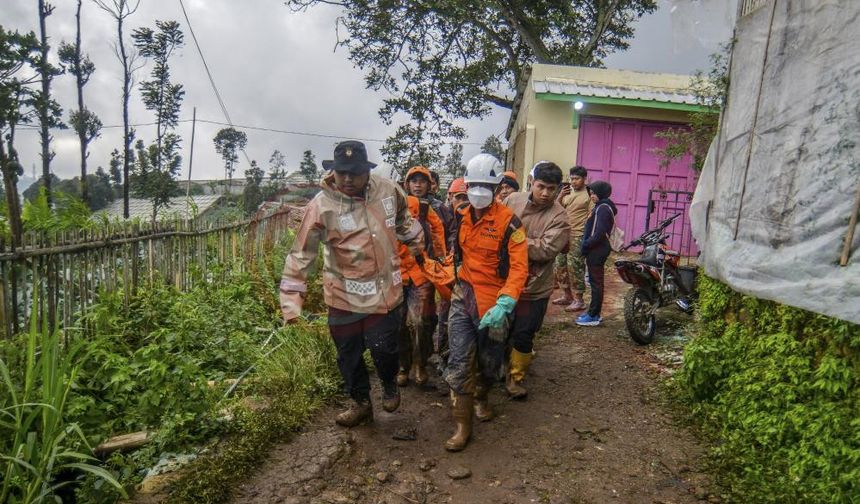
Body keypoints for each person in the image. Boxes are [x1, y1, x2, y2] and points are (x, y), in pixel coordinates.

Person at [280, 140, 425, 427]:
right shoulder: (321, 206)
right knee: (348, 355)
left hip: (384, 293)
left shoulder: (388, 190)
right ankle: (360, 403)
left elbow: (402, 217)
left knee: (384, 347)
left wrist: (415, 239)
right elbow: (301, 254)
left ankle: (389, 384)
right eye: (341, 172)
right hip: (343, 296)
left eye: (354, 173)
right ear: (333, 171)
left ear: (367, 172)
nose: (347, 179)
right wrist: (290, 302)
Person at [444, 154, 528, 451]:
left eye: (485, 187)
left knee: (490, 361)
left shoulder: (510, 223)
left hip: (495, 301)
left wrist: (506, 302)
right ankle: (461, 426)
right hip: (463, 295)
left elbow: (519, 267)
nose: (478, 193)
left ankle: (482, 395)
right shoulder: (461, 215)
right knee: (459, 359)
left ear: (497, 188)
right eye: (474, 186)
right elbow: (458, 254)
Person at [502, 161, 569, 398]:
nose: (545, 193)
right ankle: (498, 369)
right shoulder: (512, 201)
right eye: (541, 186)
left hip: (534, 286)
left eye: (552, 189)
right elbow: (497, 225)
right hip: (505, 281)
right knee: (499, 329)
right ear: (532, 182)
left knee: (524, 333)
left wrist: (513, 242)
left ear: (559, 189)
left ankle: (515, 379)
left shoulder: (559, 217)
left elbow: (546, 250)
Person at [398, 166, 448, 386]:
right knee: (399, 323)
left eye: (422, 181)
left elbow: (439, 235)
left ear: (430, 185)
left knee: (420, 322)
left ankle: (419, 362)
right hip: (397, 273)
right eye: (413, 181)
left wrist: (440, 262)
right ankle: (403, 365)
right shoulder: (394, 206)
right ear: (406, 184)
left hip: (421, 272)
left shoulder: (430, 209)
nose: (418, 184)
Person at [435, 177, 469, 376]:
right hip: (448, 275)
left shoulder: (475, 215)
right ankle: (443, 357)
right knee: (445, 318)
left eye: (466, 196)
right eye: (459, 197)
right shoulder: (444, 213)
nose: (463, 201)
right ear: (450, 197)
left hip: (471, 281)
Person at [576, 180, 617, 327]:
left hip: (597, 249)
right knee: (594, 282)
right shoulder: (600, 206)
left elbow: (599, 233)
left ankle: (594, 315)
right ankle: (592, 312)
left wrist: (585, 245)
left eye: (594, 193)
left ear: (601, 193)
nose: (592, 195)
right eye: (590, 193)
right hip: (595, 248)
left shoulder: (603, 208)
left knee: (596, 283)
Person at [554, 166, 593, 312]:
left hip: (578, 235)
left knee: (575, 267)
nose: (574, 181)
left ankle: (579, 300)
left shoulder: (588, 194)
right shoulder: (567, 192)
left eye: (577, 178)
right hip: (563, 234)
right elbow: (555, 209)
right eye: (572, 178)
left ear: (584, 179)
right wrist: (560, 195)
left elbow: (591, 215)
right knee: (560, 265)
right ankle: (567, 295)